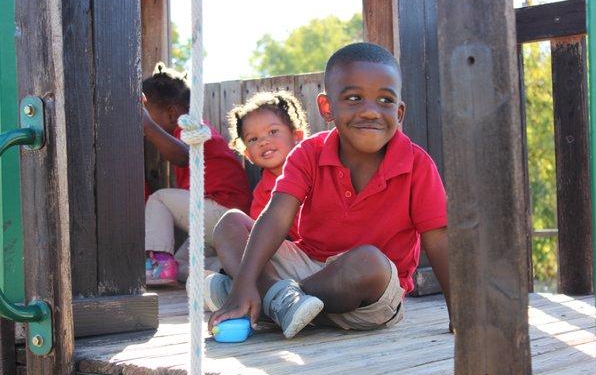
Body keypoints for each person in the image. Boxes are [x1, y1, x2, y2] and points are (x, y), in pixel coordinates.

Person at [207, 42, 451, 339]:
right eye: (354, 98)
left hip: (368, 295)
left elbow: (439, 242)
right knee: (230, 223)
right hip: (308, 266)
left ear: (399, 112)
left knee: (368, 261)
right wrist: (246, 279)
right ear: (327, 108)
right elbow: (278, 215)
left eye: (385, 100)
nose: (371, 111)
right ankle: (270, 297)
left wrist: (463, 314)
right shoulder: (310, 152)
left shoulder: (417, 165)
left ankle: (270, 299)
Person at [142, 63, 251, 285]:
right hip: (220, 220)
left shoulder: (191, 128)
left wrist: (146, 124)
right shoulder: (190, 129)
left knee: (158, 198)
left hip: (221, 210)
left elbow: (183, 156)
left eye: (149, 114)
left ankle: (157, 264)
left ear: (172, 113)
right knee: (181, 266)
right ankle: (224, 271)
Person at [202, 91, 309, 305]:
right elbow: (257, 240)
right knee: (238, 234)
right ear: (248, 154)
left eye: (273, 131)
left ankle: (234, 288)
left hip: (318, 256)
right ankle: (257, 290)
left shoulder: (315, 171)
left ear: (297, 137)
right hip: (282, 260)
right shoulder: (262, 192)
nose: (264, 141)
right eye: (253, 139)